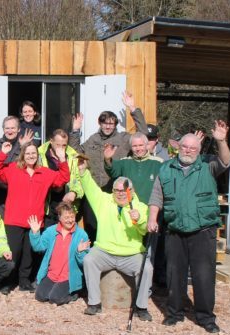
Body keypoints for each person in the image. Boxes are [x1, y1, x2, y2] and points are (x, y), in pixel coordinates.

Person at [147, 121, 230, 334]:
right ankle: (174, 313)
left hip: (203, 231)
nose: (188, 151)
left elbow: (226, 161)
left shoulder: (208, 165)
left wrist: (221, 141)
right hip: (175, 230)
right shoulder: (166, 168)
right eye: (185, 147)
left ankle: (205, 318)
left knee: (203, 276)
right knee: (175, 274)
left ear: (199, 149)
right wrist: (152, 218)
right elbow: (157, 195)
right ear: (178, 147)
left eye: (193, 148)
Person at [0, 140, 69, 293]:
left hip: (34, 221)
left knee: (29, 253)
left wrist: (62, 159)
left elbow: (64, 178)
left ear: (37, 155)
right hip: (14, 219)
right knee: (14, 252)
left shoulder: (45, 173)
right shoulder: (13, 169)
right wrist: (3, 154)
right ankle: (7, 282)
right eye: (28, 153)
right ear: (23, 155)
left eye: (34, 153)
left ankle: (24, 281)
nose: (31, 156)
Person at [77, 159, 152, 320]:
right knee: (90, 259)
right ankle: (94, 303)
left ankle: (141, 307)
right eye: (117, 190)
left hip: (131, 254)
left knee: (147, 268)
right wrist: (83, 172)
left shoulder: (141, 207)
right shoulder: (104, 201)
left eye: (124, 190)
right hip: (104, 251)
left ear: (131, 190)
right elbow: (90, 188)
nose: (120, 193)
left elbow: (145, 230)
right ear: (112, 191)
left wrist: (139, 220)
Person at [68, 91, 148, 243]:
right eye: (105, 123)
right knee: (92, 228)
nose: (108, 126)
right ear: (100, 123)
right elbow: (75, 151)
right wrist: (75, 131)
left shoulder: (123, 139)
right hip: (94, 191)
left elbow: (143, 133)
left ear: (115, 125)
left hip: (114, 192)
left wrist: (133, 108)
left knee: (114, 228)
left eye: (111, 123)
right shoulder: (93, 139)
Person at [104, 131, 164, 286]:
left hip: (150, 214)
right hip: (129, 214)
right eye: (135, 146)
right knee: (132, 248)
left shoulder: (158, 163)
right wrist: (108, 158)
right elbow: (113, 170)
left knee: (149, 251)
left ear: (147, 145)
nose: (138, 148)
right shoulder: (125, 162)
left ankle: (147, 287)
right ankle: (130, 284)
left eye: (140, 145)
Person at [29, 202, 90, 305]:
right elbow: (38, 247)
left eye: (72, 216)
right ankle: (56, 288)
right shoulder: (51, 231)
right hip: (52, 274)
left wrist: (80, 252)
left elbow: (84, 262)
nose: (70, 220)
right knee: (40, 296)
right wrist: (35, 233)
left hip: (68, 276)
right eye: (66, 217)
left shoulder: (81, 234)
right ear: (59, 218)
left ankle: (75, 293)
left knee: (55, 298)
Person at [0, 115, 35, 217]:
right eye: (7, 128)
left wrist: (23, 147)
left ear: (18, 129)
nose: (10, 131)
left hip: (18, 193)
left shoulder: (27, 145)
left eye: (13, 128)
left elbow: (31, 165)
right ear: (3, 129)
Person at [38, 129, 84, 226]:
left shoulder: (73, 156)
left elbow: (79, 180)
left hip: (66, 205)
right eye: (58, 145)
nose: (61, 148)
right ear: (51, 141)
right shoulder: (40, 156)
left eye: (64, 145)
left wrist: (74, 192)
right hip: (46, 206)